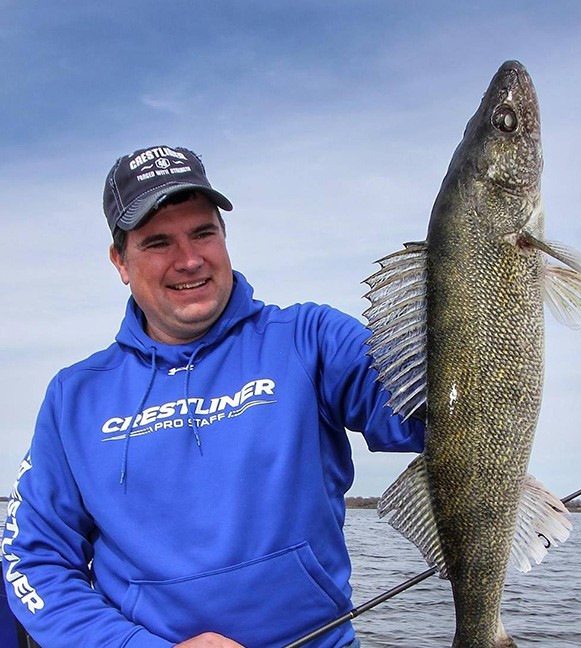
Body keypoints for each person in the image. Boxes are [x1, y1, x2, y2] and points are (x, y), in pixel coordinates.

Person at [1, 145, 424, 647]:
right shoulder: (74, 396)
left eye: (203, 232)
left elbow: (438, 412)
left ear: (224, 237)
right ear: (120, 261)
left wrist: (490, 298)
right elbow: (34, 559)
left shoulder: (311, 338)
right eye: (158, 242)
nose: (189, 259)